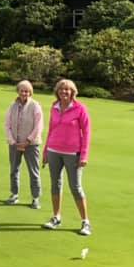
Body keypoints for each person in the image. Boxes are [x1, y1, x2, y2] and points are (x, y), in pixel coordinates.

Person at [42, 79, 92, 236]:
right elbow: (51, 129)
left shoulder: (80, 108)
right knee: (55, 185)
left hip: (73, 153)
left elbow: (87, 133)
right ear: (57, 91)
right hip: (53, 150)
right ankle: (56, 217)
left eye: (67, 89)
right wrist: (45, 151)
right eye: (61, 89)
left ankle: (85, 222)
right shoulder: (54, 107)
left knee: (75, 187)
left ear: (72, 92)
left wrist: (84, 155)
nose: (64, 92)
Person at [5, 80, 44, 210]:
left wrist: (28, 141)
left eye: (27, 91)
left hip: (31, 145)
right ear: (18, 91)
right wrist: (13, 141)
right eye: (22, 91)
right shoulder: (12, 106)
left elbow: (39, 126)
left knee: (34, 172)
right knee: (14, 170)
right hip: (15, 144)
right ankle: (14, 194)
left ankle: (35, 198)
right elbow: (7, 125)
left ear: (30, 92)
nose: (24, 93)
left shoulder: (35, 106)